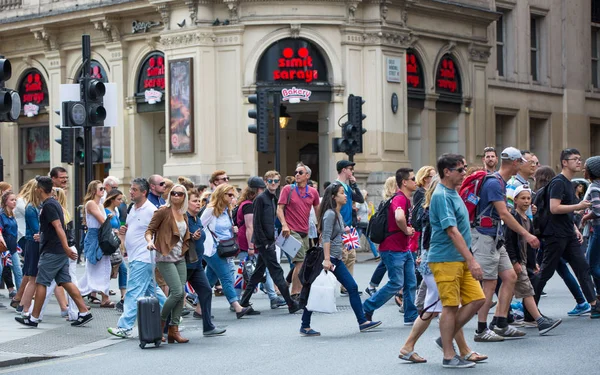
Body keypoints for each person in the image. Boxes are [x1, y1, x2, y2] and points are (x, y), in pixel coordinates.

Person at [399, 175, 488, 364]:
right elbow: (433, 237)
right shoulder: (437, 205)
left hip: (435, 260)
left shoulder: (434, 204)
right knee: (443, 308)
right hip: (437, 261)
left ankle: (412, 347)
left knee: (437, 308)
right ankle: (451, 347)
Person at [472, 147, 540, 341]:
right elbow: (503, 214)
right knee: (490, 283)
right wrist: (527, 234)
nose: (525, 164)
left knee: (510, 276)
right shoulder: (494, 182)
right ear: (514, 162)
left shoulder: (502, 182)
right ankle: (481, 329)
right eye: (522, 161)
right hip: (485, 236)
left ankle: (501, 323)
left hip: (496, 237)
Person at [300, 183, 382, 336]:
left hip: (336, 258)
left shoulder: (337, 214)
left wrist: (347, 236)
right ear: (334, 197)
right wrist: (326, 259)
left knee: (351, 287)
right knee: (315, 290)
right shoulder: (330, 214)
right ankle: (305, 325)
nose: (345, 196)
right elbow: (325, 237)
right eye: (342, 193)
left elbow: (338, 234)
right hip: (329, 259)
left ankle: (362, 321)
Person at [428, 154, 486, 368]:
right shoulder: (441, 195)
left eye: (464, 168)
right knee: (451, 307)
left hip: (459, 258)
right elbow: (452, 231)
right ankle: (448, 355)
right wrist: (472, 260)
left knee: (477, 299)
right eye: (460, 169)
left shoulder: (454, 193)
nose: (464, 173)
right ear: (447, 172)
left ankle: (447, 338)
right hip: (445, 259)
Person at [15, 176, 92, 328]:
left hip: (52, 250)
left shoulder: (49, 205)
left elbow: (58, 227)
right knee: (65, 281)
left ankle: (34, 318)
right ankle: (84, 312)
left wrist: (66, 248)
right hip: (57, 250)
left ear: (40, 190)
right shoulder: (53, 203)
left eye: (36, 187)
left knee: (41, 282)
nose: (34, 190)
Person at [533, 148, 600, 318]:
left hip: (567, 233)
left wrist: (574, 228)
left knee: (582, 267)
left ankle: (594, 305)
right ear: (564, 162)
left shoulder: (568, 183)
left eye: (580, 159)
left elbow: (566, 213)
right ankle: (530, 311)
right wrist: (578, 207)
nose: (579, 162)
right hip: (555, 235)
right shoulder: (558, 182)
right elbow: (554, 208)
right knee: (545, 272)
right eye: (575, 159)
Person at [108, 178, 167, 339]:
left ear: (144, 192)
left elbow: (158, 231)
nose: (130, 192)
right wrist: (124, 232)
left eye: (134, 189)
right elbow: (134, 228)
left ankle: (125, 326)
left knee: (133, 292)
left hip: (144, 257)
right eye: (131, 189)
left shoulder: (151, 210)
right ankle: (173, 315)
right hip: (134, 256)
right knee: (152, 290)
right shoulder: (133, 208)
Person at [363, 168, 418, 325]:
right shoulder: (400, 199)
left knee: (410, 283)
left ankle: (410, 315)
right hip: (393, 249)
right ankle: (367, 307)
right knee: (396, 283)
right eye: (413, 179)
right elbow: (399, 217)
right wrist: (406, 229)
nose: (415, 181)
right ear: (404, 182)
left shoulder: (405, 199)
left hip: (402, 249)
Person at [240, 171, 301, 314]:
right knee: (277, 272)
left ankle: (243, 303)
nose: (273, 183)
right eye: (270, 181)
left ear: (279, 182)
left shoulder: (273, 198)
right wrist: (264, 243)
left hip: (268, 241)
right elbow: (257, 223)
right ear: (266, 182)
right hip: (265, 242)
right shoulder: (260, 199)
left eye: (275, 181)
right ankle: (291, 303)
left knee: (258, 273)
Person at [504, 185, 562, 334]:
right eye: (522, 198)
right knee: (528, 291)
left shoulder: (527, 220)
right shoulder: (514, 219)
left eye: (528, 198)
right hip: (517, 262)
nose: (526, 201)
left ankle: (498, 320)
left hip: (524, 262)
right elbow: (509, 242)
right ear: (515, 200)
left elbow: (529, 246)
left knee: (509, 292)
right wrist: (514, 261)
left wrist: (533, 262)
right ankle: (539, 321)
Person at [531, 166, 587, 318]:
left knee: (545, 270)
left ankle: (528, 307)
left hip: (551, 236)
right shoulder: (556, 187)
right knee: (556, 269)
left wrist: (574, 227)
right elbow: (559, 212)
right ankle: (583, 301)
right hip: (555, 235)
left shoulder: (547, 191)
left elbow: (555, 213)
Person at [145, 184, 191, 344]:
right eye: (173, 193)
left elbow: (183, 235)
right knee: (177, 292)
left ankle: (174, 330)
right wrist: (150, 242)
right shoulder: (163, 211)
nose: (176, 196)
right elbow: (149, 230)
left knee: (181, 295)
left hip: (180, 257)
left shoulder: (183, 213)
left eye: (180, 194)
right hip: (164, 256)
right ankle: (160, 323)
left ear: (184, 197)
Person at [201, 183, 252, 318]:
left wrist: (233, 229)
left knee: (209, 280)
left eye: (233, 195)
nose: (232, 198)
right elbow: (200, 227)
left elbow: (225, 229)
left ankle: (198, 306)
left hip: (224, 249)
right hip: (212, 249)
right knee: (227, 277)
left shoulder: (227, 210)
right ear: (220, 195)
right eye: (229, 195)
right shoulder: (210, 210)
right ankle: (237, 307)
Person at [236, 176, 286, 308]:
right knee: (248, 271)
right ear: (257, 189)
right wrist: (251, 246)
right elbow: (251, 226)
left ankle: (242, 301)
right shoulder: (249, 205)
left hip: (256, 241)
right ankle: (236, 300)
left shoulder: (254, 202)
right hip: (255, 241)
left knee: (256, 272)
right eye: (262, 188)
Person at [184, 188, 226, 336]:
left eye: (199, 201)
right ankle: (165, 328)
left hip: (196, 264)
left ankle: (208, 327)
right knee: (176, 296)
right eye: (194, 201)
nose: (198, 204)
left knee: (206, 291)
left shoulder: (198, 219)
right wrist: (190, 236)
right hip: (184, 263)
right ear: (186, 203)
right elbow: (178, 236)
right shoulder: (184, 218)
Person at [277, 162, 321, 298]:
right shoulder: (288, 189)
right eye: (296, 172)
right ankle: (296, 292)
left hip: (305, 232)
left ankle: (288, 285)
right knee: (300, 260)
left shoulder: (313, 192)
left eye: (300, 172)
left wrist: (320, 228)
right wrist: (284, 224)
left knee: (301, 261)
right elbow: (279, 209)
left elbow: (317, 210)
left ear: (307, 175)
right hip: (291, 231)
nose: (296, 174)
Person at [78, 180, 113, 307]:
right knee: (93, 268)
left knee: (104, 267)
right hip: (94, 237)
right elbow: (102, 220)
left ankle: (105, 297)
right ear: (93, 191)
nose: (103, 190)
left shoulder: (101, 205)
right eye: (101, 188)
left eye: (104, 188)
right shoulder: (91, 203)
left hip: (101, 236)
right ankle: (77, 293)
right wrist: (109, 221)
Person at [365, 176, 398, 296]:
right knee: (389, 265)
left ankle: (372, 285)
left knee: (384, 263)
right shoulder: (392, 201)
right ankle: (397, 290)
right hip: (389, 239)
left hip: (385, 239)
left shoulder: (385, 201)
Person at [335, 160, 364, 293]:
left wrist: (354, 184)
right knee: (342, 257)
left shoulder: (346, 187)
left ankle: (347, 286)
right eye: (350, 169)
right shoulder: (335, 186)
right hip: (341, 227)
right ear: (343, 170)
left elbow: (360, 198)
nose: (352, 171)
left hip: (350, 228)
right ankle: (342, 284)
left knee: (351, 257)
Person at [14, 181, 43, 314]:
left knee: (31, 275)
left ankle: (22, 304)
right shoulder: (29, 206)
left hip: (31, 240)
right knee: (32, 276)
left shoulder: (36, 206)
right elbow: (36, 229)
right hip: (29, 240)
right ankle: (24, 307)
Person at [104, 189, 127, 308]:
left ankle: (123, 296)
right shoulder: (105, 211)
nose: (121, 201)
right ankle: (101, 294)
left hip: (115, 244)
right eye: (118, 199)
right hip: (109, 245)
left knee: (119, 269)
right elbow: (103, 228)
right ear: (111, 199)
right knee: (111, 270)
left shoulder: (116, 211)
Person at [581, 156, 600, 300]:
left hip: (598, 230)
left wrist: (585, 217)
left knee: (591, 265)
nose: (583, 170)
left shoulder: (594, 186)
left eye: (586, 167)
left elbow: (598, 211)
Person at [1, 190, 22, 295]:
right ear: (5, 202)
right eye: (12, 200)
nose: (14, 202)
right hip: (4, 249)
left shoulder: (12, 215)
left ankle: (20, 298)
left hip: (13, 247)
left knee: (18, 271)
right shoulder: (1, 215)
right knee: (1, 271)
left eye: (15, 200)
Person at [356, 189, 378, 259]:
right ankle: (351, 254)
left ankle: (376, 255)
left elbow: (367, 213)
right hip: (360, 224)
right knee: (356, 240)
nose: (367, 196)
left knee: (370, 239)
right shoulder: (359, 203)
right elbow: (354, 211)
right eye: (366, 195)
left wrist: (370, 210)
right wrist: (356, 217)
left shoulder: (365, 202)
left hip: (365, 224)